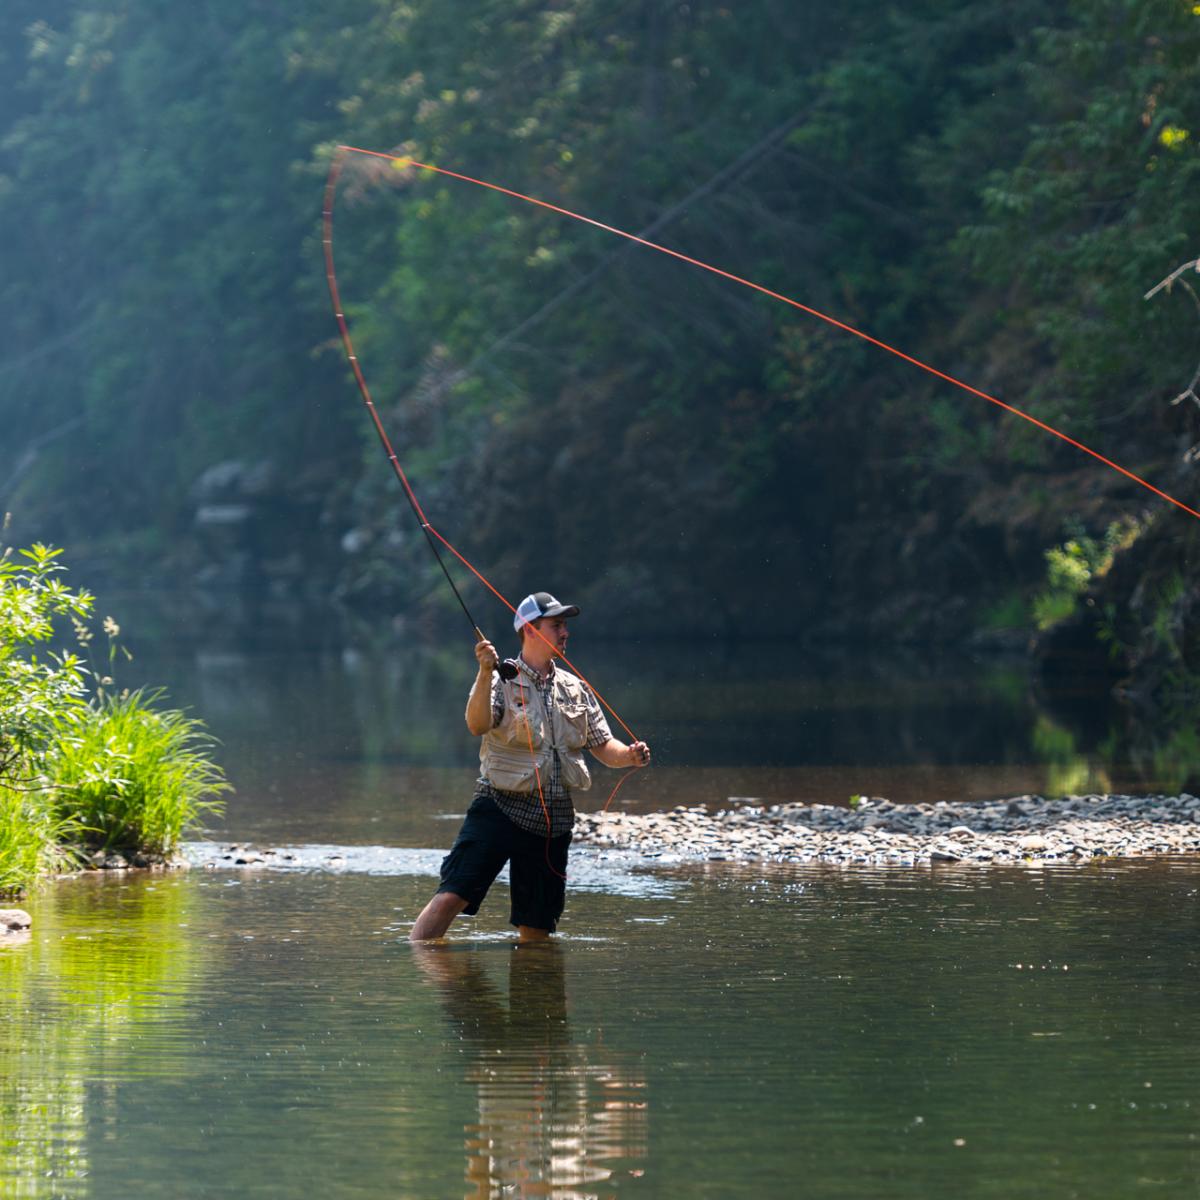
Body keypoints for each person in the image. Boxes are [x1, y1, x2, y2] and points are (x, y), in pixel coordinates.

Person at [410, 591, 650, 942]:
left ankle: (535, 992)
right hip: (498, 808)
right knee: (452, 896)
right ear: (530, 630)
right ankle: (421, 962)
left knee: (537, 927)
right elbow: (476, 725)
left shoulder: (575, 688)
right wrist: (483, 671)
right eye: (557, 625)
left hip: (553, 823)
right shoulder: (497, 680)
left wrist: (628, 755)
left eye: (565, 625)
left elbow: (602, 745)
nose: (565, 632)